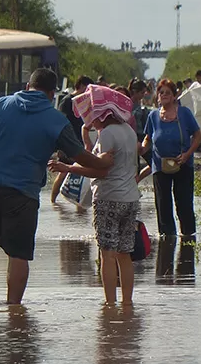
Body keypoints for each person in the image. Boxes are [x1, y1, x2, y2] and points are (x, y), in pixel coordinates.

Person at [0, 68, 113, 305]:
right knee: (18, 254)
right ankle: (13, 308)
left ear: (28, 86)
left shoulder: (0, 104)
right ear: (52, 94)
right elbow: (80, 155)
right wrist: (103, 164)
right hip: (21, 191)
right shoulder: (56, 120)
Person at [48, 86, 141, 305]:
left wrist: (68, 168)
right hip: (130, 198)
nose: (90, 121)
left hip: (109, 198)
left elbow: (101, 170)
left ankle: (109, 304)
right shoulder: (128, 130)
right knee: (124, 254)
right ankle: (127, 303)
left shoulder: (107, 133)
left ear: (102, 112)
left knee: (107, 254)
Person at [141, 79, 201, 238]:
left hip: (183, 164)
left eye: (168, 92)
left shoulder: (184, 113)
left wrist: (188, 154)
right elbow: (148, 138)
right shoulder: (153, 116)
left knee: (184, 203)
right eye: (161, 92)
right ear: (157, 96)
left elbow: (197, 136)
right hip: (160, 166)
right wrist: (140, 149)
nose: (164, 95)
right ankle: (167, 239)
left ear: (175, 95)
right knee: (163, 204)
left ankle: (188, 237)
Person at [51, 75, 93, 204]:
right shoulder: (67, 100)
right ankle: (53, 201)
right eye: (87, 88)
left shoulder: (83, 101)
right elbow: (59, 119)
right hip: (66, 141)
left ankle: (79, 203)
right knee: (63, 171)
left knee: (82, 170)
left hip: (78, 141)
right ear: (80, 86)